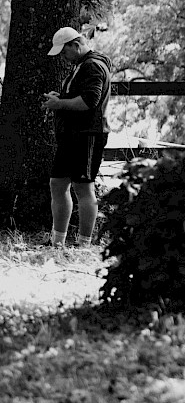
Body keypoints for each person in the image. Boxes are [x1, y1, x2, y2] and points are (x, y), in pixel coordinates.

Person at [41, 27, 113, 248]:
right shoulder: (82, 65)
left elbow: (90, 101)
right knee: (57, 183)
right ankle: (58, 242)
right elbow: (79, 96)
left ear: (76, 44)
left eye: (64, 52)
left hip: (87, 135)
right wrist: (60, 97)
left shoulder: (92, 66)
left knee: (83, 187)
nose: (63, 57)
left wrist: (59, 104)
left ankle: (83, 246)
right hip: (72, 135)